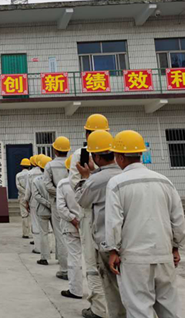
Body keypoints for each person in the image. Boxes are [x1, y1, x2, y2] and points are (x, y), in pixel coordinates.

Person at [105, 130, 185, 318]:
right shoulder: (164, 181)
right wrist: (176, 247)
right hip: (164, 254)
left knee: (139, 308)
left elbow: (114, 222)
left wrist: (113, 250)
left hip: (134, 258)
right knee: (169, 308)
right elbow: (178, 218)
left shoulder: (117, 183)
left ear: (120, 157)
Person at [75, 130, 126, 318]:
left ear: (96, 157)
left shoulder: (96, 180)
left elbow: (82, 200)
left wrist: (85, 177)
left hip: (107, 239)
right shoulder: (124, 173)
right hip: (130, 237)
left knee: (112, 287)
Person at [70, 114, 110, 318]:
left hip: (90, 213)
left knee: (93, 263)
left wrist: (90, 176)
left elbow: (78, 191)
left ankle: (99, 309)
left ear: (86, 133)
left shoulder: (79, 155)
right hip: (115, 214)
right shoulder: (117, 151)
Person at [43, 136, 70, 280]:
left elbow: (47, 185)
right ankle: (73, 266)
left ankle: (65, 269)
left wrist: (59, 192)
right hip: (73, 202)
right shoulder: (72, 163)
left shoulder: (50, 165)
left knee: (60, 235)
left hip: (57, 202)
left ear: (55, 150)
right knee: (73, 236)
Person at [57, 166, 83, 300]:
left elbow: (61, 207)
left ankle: (76, 290)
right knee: (93, 261)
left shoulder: (63, 184)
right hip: (90, 225)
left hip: (71, 227)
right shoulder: (92, 181)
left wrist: (73, 220)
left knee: (74, 258)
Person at [23, 155, 53, 263]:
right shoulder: (52, 173)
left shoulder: (31, 174)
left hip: (36, 202)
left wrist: (26, 201)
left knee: (37, 226)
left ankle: (39, 248)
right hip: (53, 202)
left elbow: (28, 190)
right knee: (53, 229)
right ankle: (52, 248)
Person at [16, 158, 32, 239]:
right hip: (32, 196)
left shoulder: (18, 175)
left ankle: (26, 233)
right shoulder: (31, 174)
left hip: (22, 196)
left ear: (21, 166)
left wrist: (25, 192)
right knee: (33, 215)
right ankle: (33, 233)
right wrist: (29, 192)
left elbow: (18, 186)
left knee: (24, 215)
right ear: (29, 166)